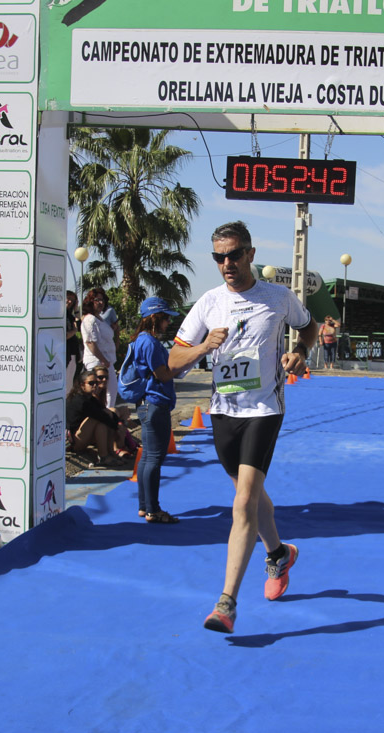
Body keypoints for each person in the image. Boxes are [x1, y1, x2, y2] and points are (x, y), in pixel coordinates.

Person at [170, 220, 318, 634]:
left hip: (264, 409)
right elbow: (172, 364)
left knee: (243, 502)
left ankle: (227, 602)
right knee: (247, 496)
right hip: (223, 412)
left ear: (251, 254)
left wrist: (299, 352)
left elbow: (309, 327)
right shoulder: (209, 302)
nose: (227, 263)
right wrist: (203, 347)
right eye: (219, 257)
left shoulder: (277, 296)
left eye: (234, 254)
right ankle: (279, 553)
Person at [125, 296, 182, 524]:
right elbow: (162, 374)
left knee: (148, 457)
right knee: (154, 458)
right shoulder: (149, 343)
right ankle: (153, 510)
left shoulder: (141, 341)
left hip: (147, 403)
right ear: (154, 318)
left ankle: (144, 506)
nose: (168, 323)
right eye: (166, 318)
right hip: (155, 403)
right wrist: (183, 364)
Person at [65, 370, 132, 466]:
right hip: (75, 441)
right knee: (99, 420)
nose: (95, 386)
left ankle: (110, 453)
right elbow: (100, 415)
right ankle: (104, 456)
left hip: (85, 436)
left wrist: (119, 423)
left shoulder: (90, 398)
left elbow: (104, 413)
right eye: (91, 383)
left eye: (96, 383)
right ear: (82, 385)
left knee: (105, 421)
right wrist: (118, 426)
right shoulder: (79, 400)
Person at [81, 287, 118, 407]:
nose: (101, 303)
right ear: (90, 301)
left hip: (107, 361)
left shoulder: (100, 319)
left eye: (102, 300)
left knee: (110, 392)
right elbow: (91, 343)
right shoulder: (89, 319)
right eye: (97, 300)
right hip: (97, 362)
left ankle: (108, 417)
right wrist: (103, 360)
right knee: (98, 393)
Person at [65, 290, 82, 384]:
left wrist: (76, 310)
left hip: (74, 352)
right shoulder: (59, 316)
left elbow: (79, 326)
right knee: (67, 384)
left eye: (73, 300)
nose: (70, 301)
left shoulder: (70, 316)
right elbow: (65, 335)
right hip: (66, 353)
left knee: (71, 382)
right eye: (68, 298)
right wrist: (74, 331)